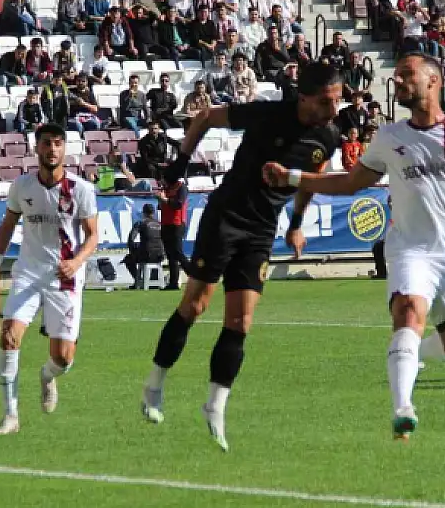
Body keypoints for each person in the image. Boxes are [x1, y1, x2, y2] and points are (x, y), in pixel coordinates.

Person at [262, 54, 445, 441]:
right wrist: (295, 178)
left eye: (407, 75)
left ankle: (413, 355)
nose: (398, 81)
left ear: (433, 81)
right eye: (396, 75)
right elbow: (351, 183)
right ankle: (403, 408)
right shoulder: (389, 137)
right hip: (408, 251)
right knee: (408, 313)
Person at [140, 63, 342, 451]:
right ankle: (154, 384)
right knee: (195, 306)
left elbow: (311, 180)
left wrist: (296, 223)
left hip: (262, 230)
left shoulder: (327, 137)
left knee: (241, 319)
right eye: (326, 101)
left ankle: (215, 405)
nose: (334, 109)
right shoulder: (267, 113)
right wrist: (180, 165)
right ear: (305, 98)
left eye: (337, 100)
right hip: (225, 217)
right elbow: (206, 116)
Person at [0, 123, 99, 435]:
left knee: (63, 357)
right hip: (28, 271)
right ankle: (10, 415)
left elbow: (93, 236)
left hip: (64, 278)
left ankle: (48, 376)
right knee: (10, 334)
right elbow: (8, 225)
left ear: (64, 148)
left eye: (57, 143)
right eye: (46, 143)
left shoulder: (80, 189)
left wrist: (76, 261)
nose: (52, 149)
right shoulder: (22, 186)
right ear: (35, 148)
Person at [156, 177, 189, 290]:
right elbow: (161, 207)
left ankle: (194, 276)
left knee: (178, 252)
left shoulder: (181, 187)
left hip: (177, 223)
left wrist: (164, 199)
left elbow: (178, 204)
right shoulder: (166, 188)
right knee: (170, 254)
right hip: (166, 223)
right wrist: (159, 199)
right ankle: (173, 282)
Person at [125, 203, 165, 287]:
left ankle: (138, 280)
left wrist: (132, 251)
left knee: (128, 258)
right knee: (153, 256)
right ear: (153, 213)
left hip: (146, 255)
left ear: (143, 213)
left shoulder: (140, 223)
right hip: (160, 255)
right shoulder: (160, 224)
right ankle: (153, 280)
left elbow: (131, 239)